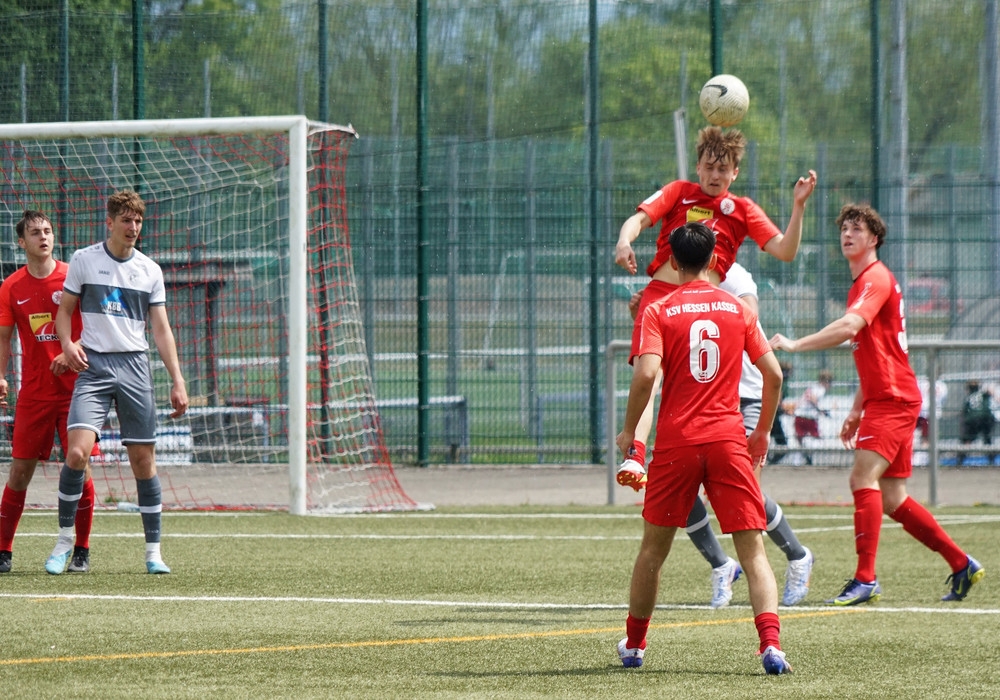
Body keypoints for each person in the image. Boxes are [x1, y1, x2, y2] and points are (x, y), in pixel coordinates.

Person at [769, 203, 984, 605]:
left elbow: (851, 326)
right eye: (844, 229)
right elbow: (872, 352)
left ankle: (865, 578)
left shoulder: (875, 278)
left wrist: (796, 343)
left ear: (875, 239)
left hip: (893, 399)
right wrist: (855, 408)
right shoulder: (864, 283)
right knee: (893, 499)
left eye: (857, 228)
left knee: (860, 479)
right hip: (889, 396)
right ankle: (961, 563)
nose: (847, 234)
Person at [615, 222, 791, 675]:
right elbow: (773, 376)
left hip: (677, 442)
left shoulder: (660, 309)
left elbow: (646, 376)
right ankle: (770, 646)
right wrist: (763, 431)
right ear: (715, 259)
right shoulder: (738, 310)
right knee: (753, 551)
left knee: (653, 552)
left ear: (673, 261)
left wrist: (630, 431)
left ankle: (635, 646)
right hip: (728, 440)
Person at [614, 126, 816, 486]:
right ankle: (636, 454)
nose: (715, 175)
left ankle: (712, 459)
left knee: (693, 387)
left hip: (706, 308)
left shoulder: (742, 209)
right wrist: (624, 241)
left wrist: (798, 206)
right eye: (709, 166)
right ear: (698, 166)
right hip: (661, 296)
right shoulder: (679, 193)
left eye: (723, 169)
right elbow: (639, 219)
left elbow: (785, 251)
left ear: (735, 173)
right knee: (651, 375)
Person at [623, 262, 814, 608]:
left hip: (743, 396)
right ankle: (722, 565)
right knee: (684, 489)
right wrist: (643, 314)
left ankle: (798, 555)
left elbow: (744, 320)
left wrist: (763, 431)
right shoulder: (670, 291)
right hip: (699, 403)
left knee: (746, 498)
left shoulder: (736, 277)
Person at [44, 189, 189, 575]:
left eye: (138, 221)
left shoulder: (150, 271)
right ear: (109, 222)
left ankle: (153, 552)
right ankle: (63, 543)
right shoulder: (84, 260)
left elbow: (160, 329)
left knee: (143, 461)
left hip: (135, 368)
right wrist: (67, 344)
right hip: (92, 367)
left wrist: (177, 380)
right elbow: (64, 312)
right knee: (76, 455)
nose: (133, 227)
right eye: (126, 220)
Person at [0, 211, 99, 574]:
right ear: (21, 242)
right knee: (19, 472)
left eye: (47, 231)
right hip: (35, 394)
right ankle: (3, 550)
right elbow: (4, 338)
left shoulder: (75, 276)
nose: (43, 237)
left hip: (78, 390)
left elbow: (99, 326)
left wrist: (69, 348)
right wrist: (1, 376)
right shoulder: (11, 286)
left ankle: (82, 550)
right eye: (34, 233)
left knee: (80, 464)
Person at [792, 369, 833, 465]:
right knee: (816, 438)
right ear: (825, 381)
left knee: (800, 439)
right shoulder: (821, 389)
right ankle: (808, 457)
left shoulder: (812, 387)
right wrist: (821, 409)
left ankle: (800, 460)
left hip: (799, 415)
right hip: (809, 417)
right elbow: (812, 398)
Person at [959, 380, 995, 464]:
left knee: (967, 439)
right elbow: (990, 393)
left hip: (973, 419)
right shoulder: (982, 394)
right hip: (985, 418)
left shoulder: (969, 397)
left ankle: (960, 460)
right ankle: (991, 460)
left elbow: (965, 411)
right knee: (987, 439)